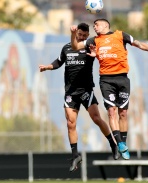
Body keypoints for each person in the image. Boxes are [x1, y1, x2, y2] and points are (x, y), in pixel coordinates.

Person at [70, 19, 148, 160]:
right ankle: (120, 144)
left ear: (106, 25)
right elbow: (75, 47)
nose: (94, 27)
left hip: (123, 79)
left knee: (123, 113)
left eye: (97, 24)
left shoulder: (120, 35)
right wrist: (73, 34)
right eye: (93, 25)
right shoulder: (94, 40)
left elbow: (139, 44)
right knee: (111, 112)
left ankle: (123, 141)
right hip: (106, 80)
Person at [39, 23, 120, 172]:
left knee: (96, 118)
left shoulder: (89, 48)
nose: (82, 37)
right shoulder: (66, 48)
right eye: (80, 35)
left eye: (84, 35)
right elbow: (58, 62)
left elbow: (102, 57)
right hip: (71, 92)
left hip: (86, 91)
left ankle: (113, 144)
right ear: (76, 34)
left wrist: (96, 56)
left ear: (87, 36)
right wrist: (47, 67)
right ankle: (75, 155)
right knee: (70, 123)